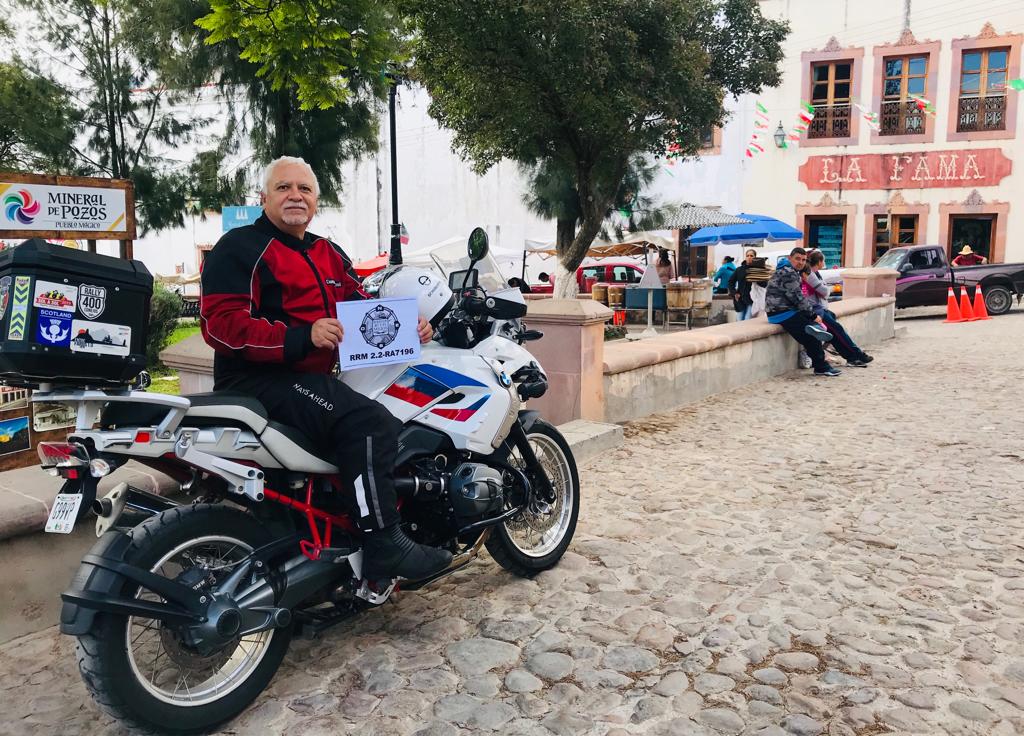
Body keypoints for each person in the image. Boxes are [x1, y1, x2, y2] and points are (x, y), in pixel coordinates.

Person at [200, 156, 453, 581]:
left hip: (311, 380)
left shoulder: (327, 252)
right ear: (263, 198)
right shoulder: (239, 248)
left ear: (317, 200)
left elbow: (361, 310)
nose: (295, 196)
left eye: (305, 189)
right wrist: (303, 336)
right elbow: (221, 325)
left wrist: (409, 328)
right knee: (371, 423)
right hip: (261, 380)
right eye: (283, 188)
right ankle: (384, 542)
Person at [765, 246, 841, 377]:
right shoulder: (788, 272)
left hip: (785, 310)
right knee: (812, 335)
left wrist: (811, 315)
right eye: (797, 259)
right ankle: (821, 367)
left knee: (815, 330)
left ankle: (819, 358)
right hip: (781, 313)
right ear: (790, 258)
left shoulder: (789, 270)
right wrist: (812, 315)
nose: (800, 262)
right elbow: (797, 297)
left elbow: (798, 299)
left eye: (803, 260)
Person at [803, 250, 873, 368]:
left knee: (836, 333)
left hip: (820, 309)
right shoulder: (810, 274)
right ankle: (856, 355)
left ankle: (853, 356)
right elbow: (824, 292)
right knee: (838, 332)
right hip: (816, 311)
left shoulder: (815, 274)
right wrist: (826, 289)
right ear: (819, 262)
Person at [728, 249, 757, 320]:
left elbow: (763, 284)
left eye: (751, 256)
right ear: (745, 257)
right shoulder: (739, 269)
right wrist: (734, 293)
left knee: (747, 319)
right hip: (740, 299)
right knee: (739, 319)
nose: (749, 257)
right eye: (747, 256)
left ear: (755, 257)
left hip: (752, 299)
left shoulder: (758, 270)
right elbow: (730, 282)